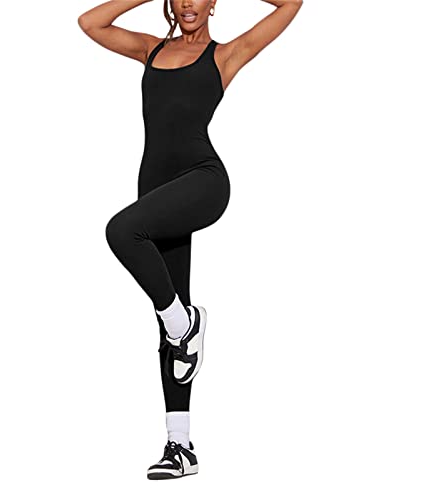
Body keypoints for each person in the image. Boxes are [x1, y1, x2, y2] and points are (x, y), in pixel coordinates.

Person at [78, 0, 303, 480]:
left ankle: (185, 324)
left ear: (213, 3)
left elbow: (293, 2)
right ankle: (180, 447)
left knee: (122, 232)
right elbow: (90, 22)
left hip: (203, 181)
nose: (187, 3)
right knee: (169, 319)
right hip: (154, 188)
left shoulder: (225, 55)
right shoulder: (151, 50)